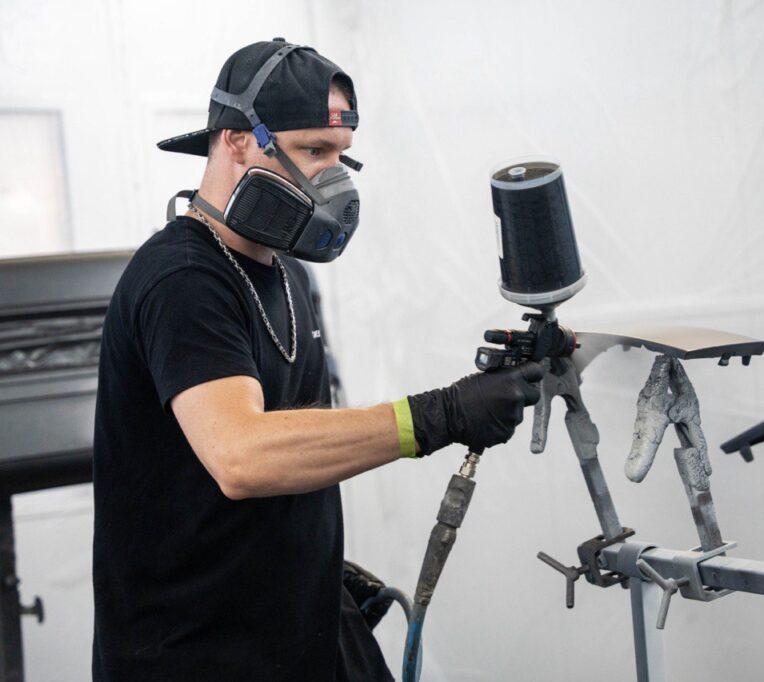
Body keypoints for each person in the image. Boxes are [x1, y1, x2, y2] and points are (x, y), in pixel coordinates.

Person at [92, 38, 542, 681]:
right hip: (196, 655)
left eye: (340, 155)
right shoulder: (183, 279)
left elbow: (296, 441)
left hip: (295, 632)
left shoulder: (287, 273)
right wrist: (439, 416)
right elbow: (243, 456)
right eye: (312, 151)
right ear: (237, 140)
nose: (333, 179)